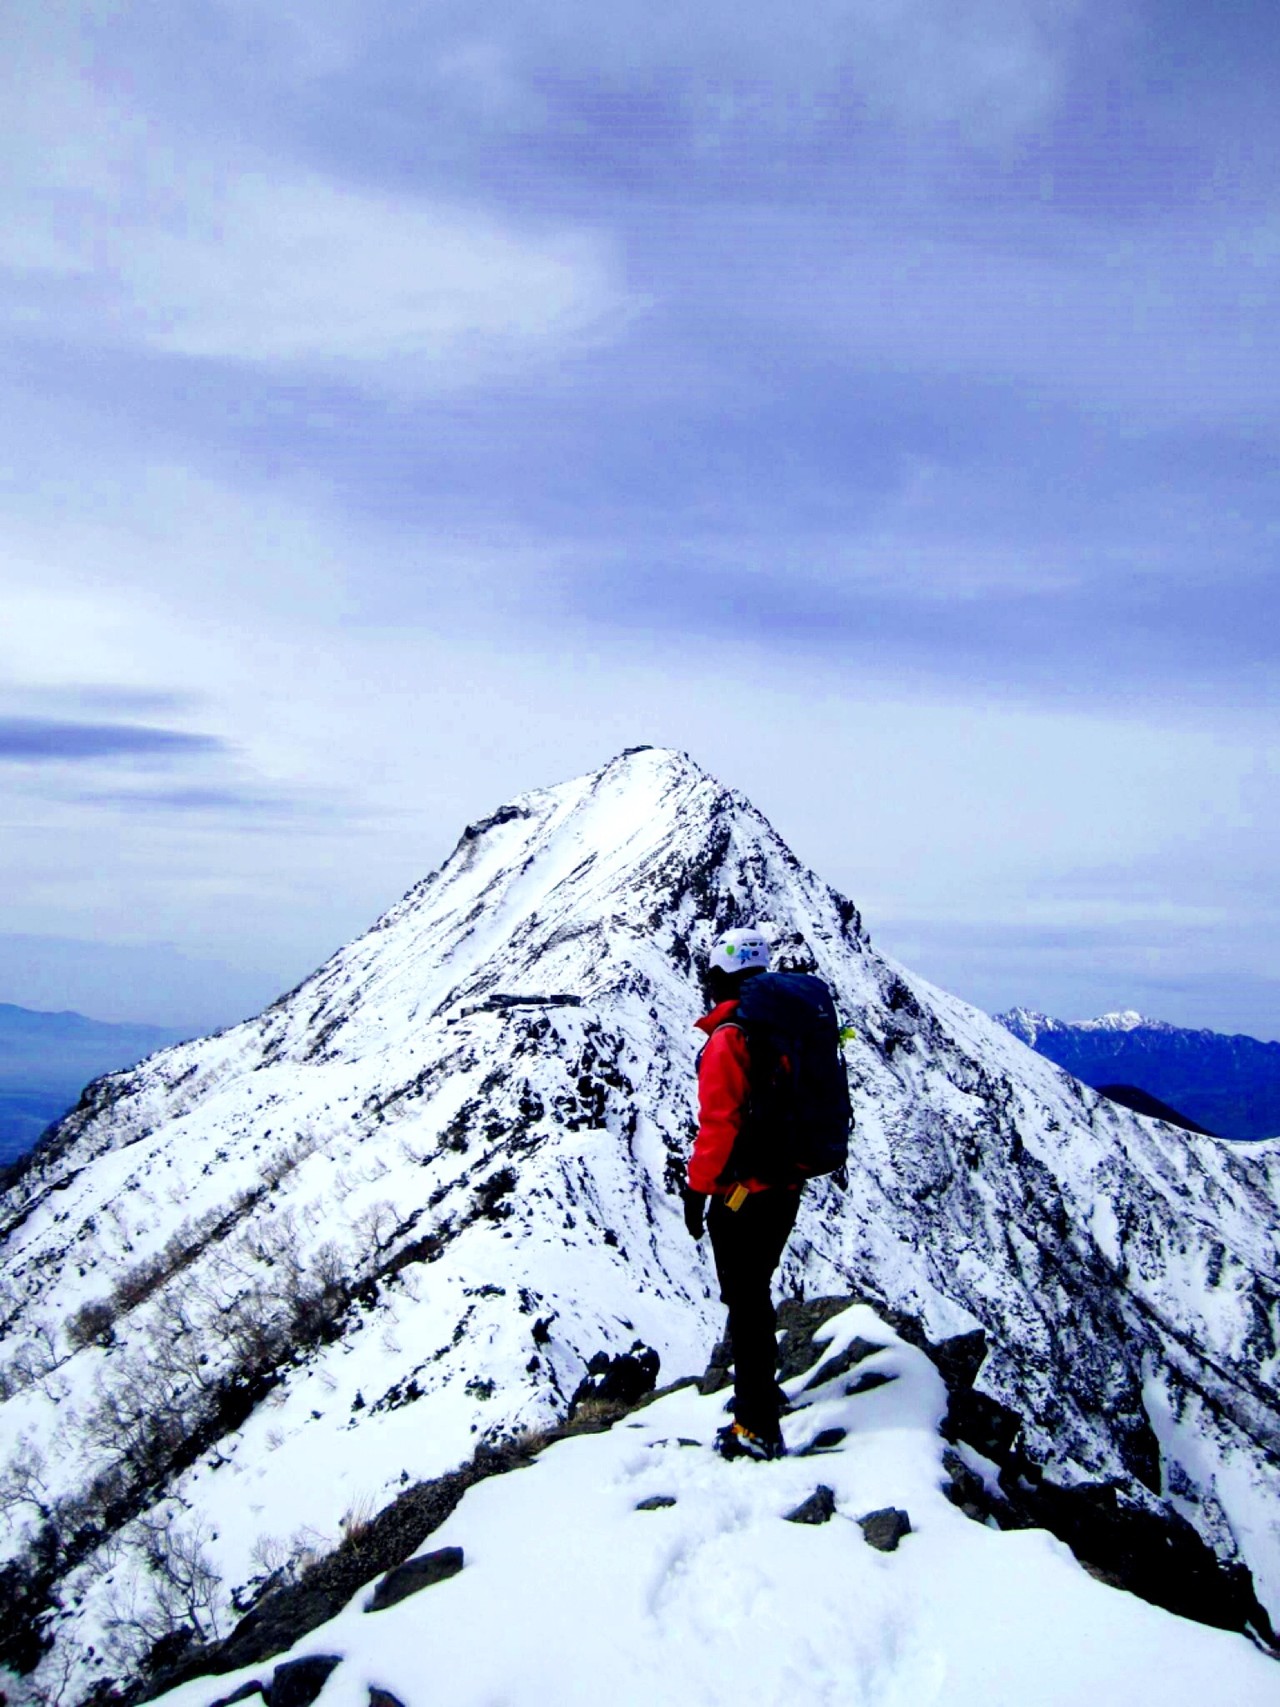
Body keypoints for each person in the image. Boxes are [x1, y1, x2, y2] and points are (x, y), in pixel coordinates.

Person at [684, 926, 802, 1462]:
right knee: (757, 1290)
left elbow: (719, 1125)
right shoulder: (788, 1029)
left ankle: (755, 1424)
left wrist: (697, 1189)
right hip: (785, 1186)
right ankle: (763, 1392)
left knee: (745, 1300)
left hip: (741, 1195)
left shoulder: (730, 1038)